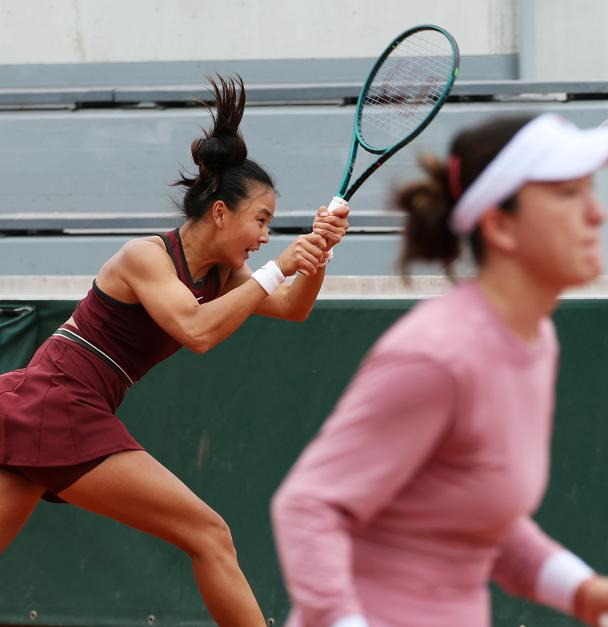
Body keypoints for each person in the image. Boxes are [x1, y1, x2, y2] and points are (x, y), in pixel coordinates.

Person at [270, 113, 608, 627]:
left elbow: (483, 520)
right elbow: (308, 505)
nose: (597, 213)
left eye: (590, 191)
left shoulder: (535, 341)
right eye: (567, 194)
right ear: (501, 226)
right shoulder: (437, 356)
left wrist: (585, 591)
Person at [0, 76, 349, 626]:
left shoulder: (220, 274)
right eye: (260, 220)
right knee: (209, 534)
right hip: (57, 401)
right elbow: (197, 331)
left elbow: (292, 308)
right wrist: (279, 266)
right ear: (220, 213)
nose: (265, 236)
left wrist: (318, 254)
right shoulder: (146, 257)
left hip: (48, 406)